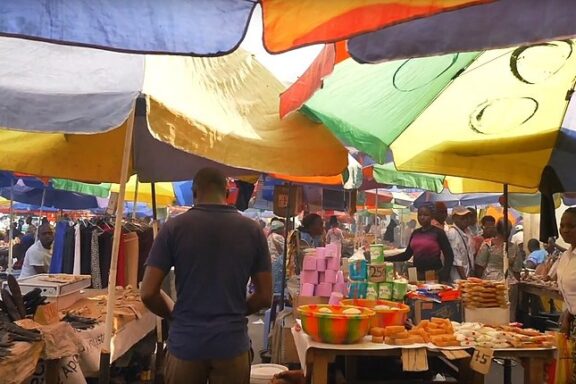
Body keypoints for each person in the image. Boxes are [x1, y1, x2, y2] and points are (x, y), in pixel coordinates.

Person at [141, 168, 272, 384]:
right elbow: (265, 296)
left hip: (186, 344)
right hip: (232, 345)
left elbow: (147, 292)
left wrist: (175, 315)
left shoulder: (174, 228)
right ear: (228, 192)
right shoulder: (252, 230)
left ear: (194, 193)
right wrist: (236, 310)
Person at [385, 206, 454, 283]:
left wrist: (445, 274)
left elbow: (449, 255)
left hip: (433, 274)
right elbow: (406, 255)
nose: (422, 217)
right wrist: (385, 258)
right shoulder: (415, 233)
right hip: (416, 275)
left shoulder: (438, 232)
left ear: (431, 216)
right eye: (420, 215)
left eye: (425, 215)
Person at [556, 208, 576, 382]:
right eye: (562, 225)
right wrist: (567, 314)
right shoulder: (565, 256)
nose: (565, 230)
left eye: (571, 226)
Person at [447, 207, 475, 281]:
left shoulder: (468, 231)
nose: (465, 220)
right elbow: (457, 260)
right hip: (458, 279)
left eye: (467, 217)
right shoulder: (453, 233)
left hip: (468, 275)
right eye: (462, 217)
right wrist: (464, 280)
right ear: (454, 218)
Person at [268, 219, 286, 295]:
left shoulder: (270, 236)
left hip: (271, 261)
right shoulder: (278, 237)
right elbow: (285, 249)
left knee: (274, 281)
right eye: (283, 228)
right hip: (277, 262)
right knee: (278, 282)